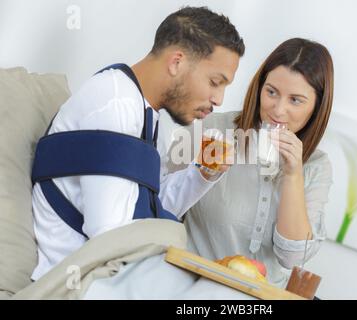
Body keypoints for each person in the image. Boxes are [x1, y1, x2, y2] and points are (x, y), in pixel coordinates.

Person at [30, 6, 244, 280]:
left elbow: (153, 205)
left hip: (109, 276)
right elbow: (108, 238)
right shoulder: (113, 105)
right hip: (76, 283)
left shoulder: (147, 115)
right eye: (215, 82)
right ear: (177, 62)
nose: (219, 99)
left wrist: (202, 174)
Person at [168, 38, 334, 287]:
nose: (278, 110)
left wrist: (293, 175)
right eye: (271, 92)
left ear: (317, 107)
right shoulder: (212, 130)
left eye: (295, 100)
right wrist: (200, 174)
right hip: (190, 286)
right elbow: (157, 207)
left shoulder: (316, 166)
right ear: (259, 87)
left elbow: (292, 258)